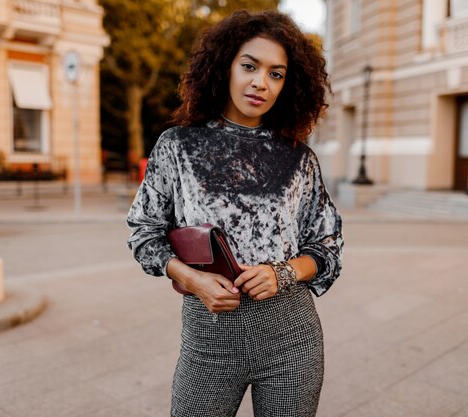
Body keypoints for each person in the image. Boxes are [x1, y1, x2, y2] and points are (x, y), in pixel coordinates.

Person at [127, 9, 343, 417]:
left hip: (290, 338)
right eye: (249, 66)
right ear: (225, 66)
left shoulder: (299, 158)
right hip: (208, 339)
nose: (261, 82)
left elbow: (328, 246)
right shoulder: (177, 146)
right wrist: (192, 279)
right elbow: (143, 232)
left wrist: (283, 272)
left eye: (276, 74)